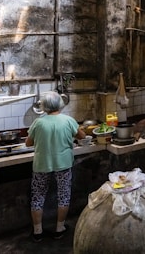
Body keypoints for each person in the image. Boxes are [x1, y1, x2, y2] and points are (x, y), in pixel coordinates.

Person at [25, 91, 86, 242]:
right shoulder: (68, 120)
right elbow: (82, 136)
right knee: (63, 195)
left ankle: (37, 231)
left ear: (44, 106)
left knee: (38, 196)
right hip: (63, 164)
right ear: (60, 104)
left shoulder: (38, 122)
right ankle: (60, 228)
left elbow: (28, 143)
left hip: (42, 164)